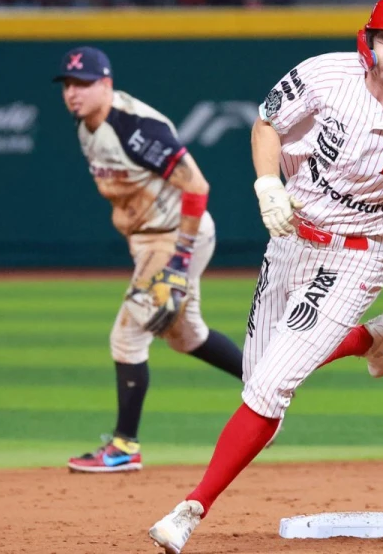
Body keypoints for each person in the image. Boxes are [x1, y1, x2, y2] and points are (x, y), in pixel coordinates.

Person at [148, 0, 383, 550]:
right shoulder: (324, 75)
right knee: (260, 384)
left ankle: (189, 510)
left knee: (272, 388)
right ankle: (373, 336)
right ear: (369, 37)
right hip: (291, 241)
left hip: (357, 255)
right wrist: (267, 183)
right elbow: (266, 125)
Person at [53, 46, 245, 473]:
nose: (73, 92)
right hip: (150, 238)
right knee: (186, 336)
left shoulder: (135, 128)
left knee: (127, 335)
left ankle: (124, 447)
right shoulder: (87, 127)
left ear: (107, 84)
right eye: (68, 84)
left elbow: (197, 185)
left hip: (175, 237)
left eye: (83, 83)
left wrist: (178, 261)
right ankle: (267, 388)